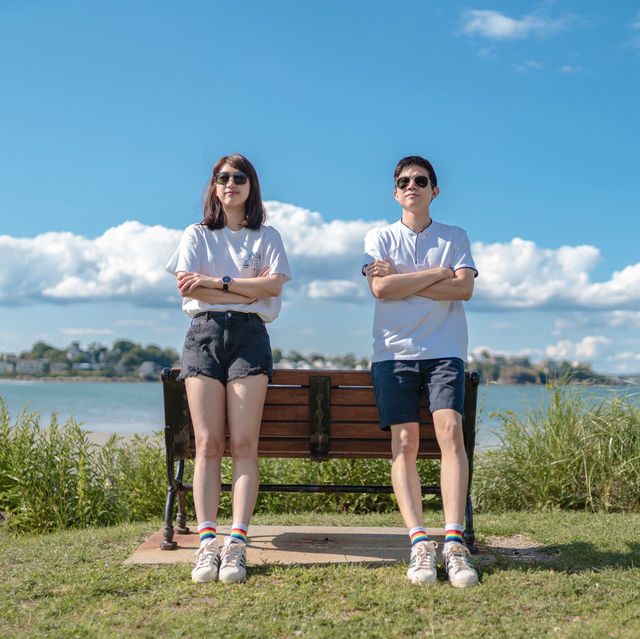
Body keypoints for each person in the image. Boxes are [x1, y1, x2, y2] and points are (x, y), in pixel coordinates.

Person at [166, 154, 291, 584]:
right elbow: (186, 284)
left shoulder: (267, 235)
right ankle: (207, 544)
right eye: (223, 177)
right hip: (203, 335)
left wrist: (217, 285)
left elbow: (273, 288)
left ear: (251, 185)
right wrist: (245, 290)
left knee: (242, 443)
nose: (231, 183)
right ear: (214, 186)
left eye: (239, 177)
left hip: (250, 338)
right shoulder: (196, 234)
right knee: (206, 444)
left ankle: (236, 543)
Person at [362, 155, 479, 587]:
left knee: (450, 433)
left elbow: (464, 288)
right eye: (404, 181)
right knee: (405, 440)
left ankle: (453, 542)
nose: (412, 185)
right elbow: (381, 288)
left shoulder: (455, 236)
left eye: (421, 180)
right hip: (393, 354)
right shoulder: (379, 236)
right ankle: (419, 544)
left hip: (445, 351)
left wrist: (405, 279)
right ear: (396, 192)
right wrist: (436, 275)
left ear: (434, 190)